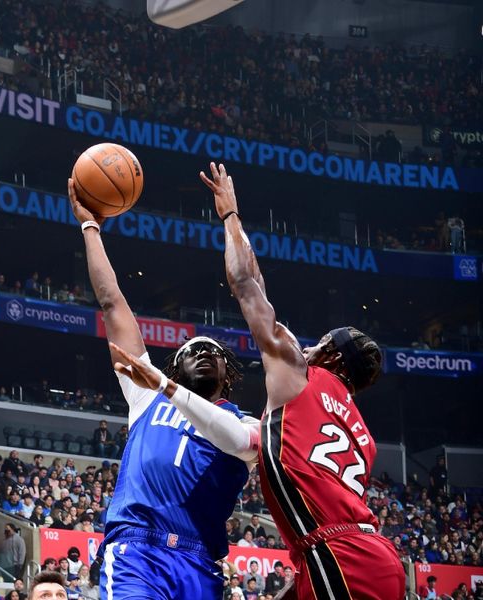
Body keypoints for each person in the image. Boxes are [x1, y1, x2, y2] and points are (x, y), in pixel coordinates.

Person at [199, 162, 405, 600]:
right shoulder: (364, 438)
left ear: (330, 354)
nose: (308, 346)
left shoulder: (299, 372)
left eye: (320, 343)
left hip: (339, 557)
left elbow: (243, 282)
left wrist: (230, 216)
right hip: (372, 558)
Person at [67, 179, 256, 599]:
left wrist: (232, 218)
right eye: (194, 350)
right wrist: (90, 228)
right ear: (175, 367)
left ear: (228, 373)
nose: (205, 353)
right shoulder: (145, 392)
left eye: (214, 352)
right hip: (138, 551)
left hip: (200, 563)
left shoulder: (246, 426)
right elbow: (113, 302)